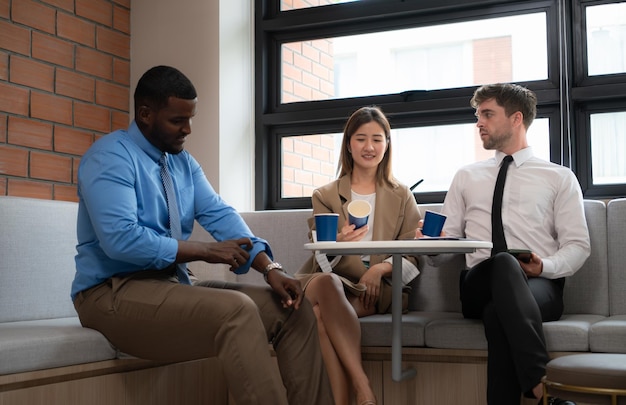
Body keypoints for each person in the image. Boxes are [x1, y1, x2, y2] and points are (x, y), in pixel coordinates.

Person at [71, 65, 335, 405]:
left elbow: (221, 215)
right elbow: (121, 239)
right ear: (146, 114)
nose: (188, 129)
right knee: (236, 310)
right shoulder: (110, 157)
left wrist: (271, 268)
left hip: (171, 286)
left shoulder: (181, 163)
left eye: (191, 118)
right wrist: (205, 252)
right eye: (178, 120)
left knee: (293, 311)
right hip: (111, 293)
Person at [434, 83, 590, 405]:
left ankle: (539, 393)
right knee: (503, 262)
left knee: (497, 314)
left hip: (539, 286)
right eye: (478, 115)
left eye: (488, 114)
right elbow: (442, 250)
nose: (479, 122)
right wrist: (431, 244)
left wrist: (543, 266)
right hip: (479, 283)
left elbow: (578, 245)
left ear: (517, 118)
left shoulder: (558, 177)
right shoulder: (466, 176)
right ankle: (539, 385)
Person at [297, 106, 422, 405]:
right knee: (329, 284)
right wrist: (336, 243)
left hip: (378, 289)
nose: (369, 147)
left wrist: (379, 271)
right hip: (332, 279)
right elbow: (321, 256)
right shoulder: (325, 195)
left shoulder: (401, 194)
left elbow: (413, 258)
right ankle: (363, 387)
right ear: (349, 144)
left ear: (387, 145)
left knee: (318, 316)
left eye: (377, 139)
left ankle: (347, 399)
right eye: (361, 139)